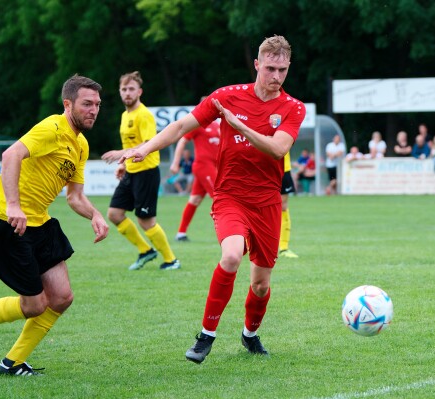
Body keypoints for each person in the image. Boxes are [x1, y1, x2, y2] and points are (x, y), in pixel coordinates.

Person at [120, 35, 305, 361]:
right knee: (231, 256)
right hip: (230, 197)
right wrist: (144, 148)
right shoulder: (226, 97)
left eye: (283, 70)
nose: (276, 77)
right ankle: (206, 336)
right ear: (257, 65)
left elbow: (278, 148)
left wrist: (238, 126)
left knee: (260, 285)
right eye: (271, 68)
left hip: (267, 203)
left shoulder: (292, 107)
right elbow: (180, 127)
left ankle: (249, 335)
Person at [0, 75, 109, 376]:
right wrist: (12, 205)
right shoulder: (52, 128)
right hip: (10, 224)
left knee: (61, 297)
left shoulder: (81, 144)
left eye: (97, 105)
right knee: (34, 305)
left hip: (40, 224)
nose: (94, 110)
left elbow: (74, 197)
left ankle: (12, 363)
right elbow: (11, 155)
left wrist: (96, 215)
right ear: (68, 104)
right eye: (87, 104)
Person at [101, 71, 180, 271]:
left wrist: (120, 153)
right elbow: (131, 143)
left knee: (145, 221)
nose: (127, 93)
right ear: (119, 92)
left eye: (131, 89)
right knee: (114, 214)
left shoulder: (143, 114)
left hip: (146, 172)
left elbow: (148, 143)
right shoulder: (124, 115)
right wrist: (123, 163)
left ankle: (171, 260)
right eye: (124, 89)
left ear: (139, 92)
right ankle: (146, 251)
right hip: (131, 171)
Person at [170, 117, 220, 242]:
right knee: (220, 198)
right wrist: (175, 163)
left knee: (195, 200)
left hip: (213, 167)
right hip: (203, 166)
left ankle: (181, 233)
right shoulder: (198, 124)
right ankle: (229, 233)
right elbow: (182, 141)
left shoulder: (217, 125)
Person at [279, 151, 298, 258]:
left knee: (283, 207)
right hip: (261, 168)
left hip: (283, 168)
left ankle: (284, 248)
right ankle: (249, 245)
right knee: (257, 206)